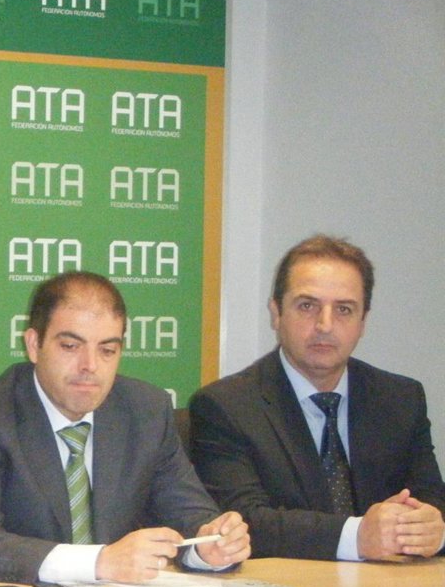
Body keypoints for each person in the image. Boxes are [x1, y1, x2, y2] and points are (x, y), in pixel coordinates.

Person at [0, 271, 250, 583]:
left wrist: (210, 546)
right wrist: (98, 562)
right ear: (33, 344)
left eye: (107, 350)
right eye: (70, 346)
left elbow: (191, 516)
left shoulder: (146, 412)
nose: (90, 366)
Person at [189, 234, 445, 560]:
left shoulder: (400, 400)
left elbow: (431, 500)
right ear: (276, 312)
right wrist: (357, 536)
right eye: (307, 306)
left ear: (363, 322)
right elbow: (242, 522)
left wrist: (432, 529)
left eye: (344, 309)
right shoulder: (226, 406)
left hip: (391, 586)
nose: (325, 325)